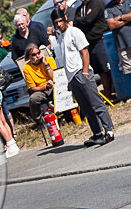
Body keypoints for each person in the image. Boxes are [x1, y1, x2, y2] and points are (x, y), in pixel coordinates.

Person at [51, 8, 115, 146]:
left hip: (81, 71)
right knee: (85, 108)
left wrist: (85, 72)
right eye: (56, 23)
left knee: (96, 103)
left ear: (65, 19)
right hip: (72, 76)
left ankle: (109, 131)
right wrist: (68, 80)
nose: (59, 24)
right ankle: (97, 133)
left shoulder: (74, 32)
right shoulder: (60, 37)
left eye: (61, 21)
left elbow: (85, 52)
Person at [71, 0, 114, 98]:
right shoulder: (79, 9)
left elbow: (89, 20)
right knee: (100, 70)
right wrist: (82, 19)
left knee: (107, 68)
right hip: (90, 43)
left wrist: (81, 20)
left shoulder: (96, 3)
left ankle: (114, 92)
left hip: (100, 40)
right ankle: (108, 95)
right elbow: (76, 22)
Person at [23, 43, 56, 128]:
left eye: (38, 53)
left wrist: (46, 64)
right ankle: (39, 121)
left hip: (54, 86)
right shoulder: (27, 68)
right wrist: (44, 87)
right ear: (29, 56)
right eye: (34, 54)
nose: (37, 56)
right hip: (41, 89)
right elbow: (32, 88)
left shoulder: (49, 60)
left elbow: (55, 77)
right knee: (33, 99)